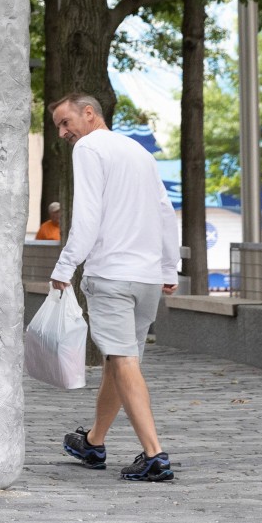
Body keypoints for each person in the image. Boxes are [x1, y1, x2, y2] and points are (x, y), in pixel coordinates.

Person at [48, 92, 180, 483]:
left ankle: (155, 456)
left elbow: (88, 215)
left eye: (66, 122)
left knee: (122, 361)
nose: (63, 132)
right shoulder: (139, 152)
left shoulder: (89, 148)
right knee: (118, 362)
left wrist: (65, 265)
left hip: (112, 275)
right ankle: (93, 441)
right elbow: (165, 210)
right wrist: (170, 266)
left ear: (89, 114)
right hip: (147, 277)